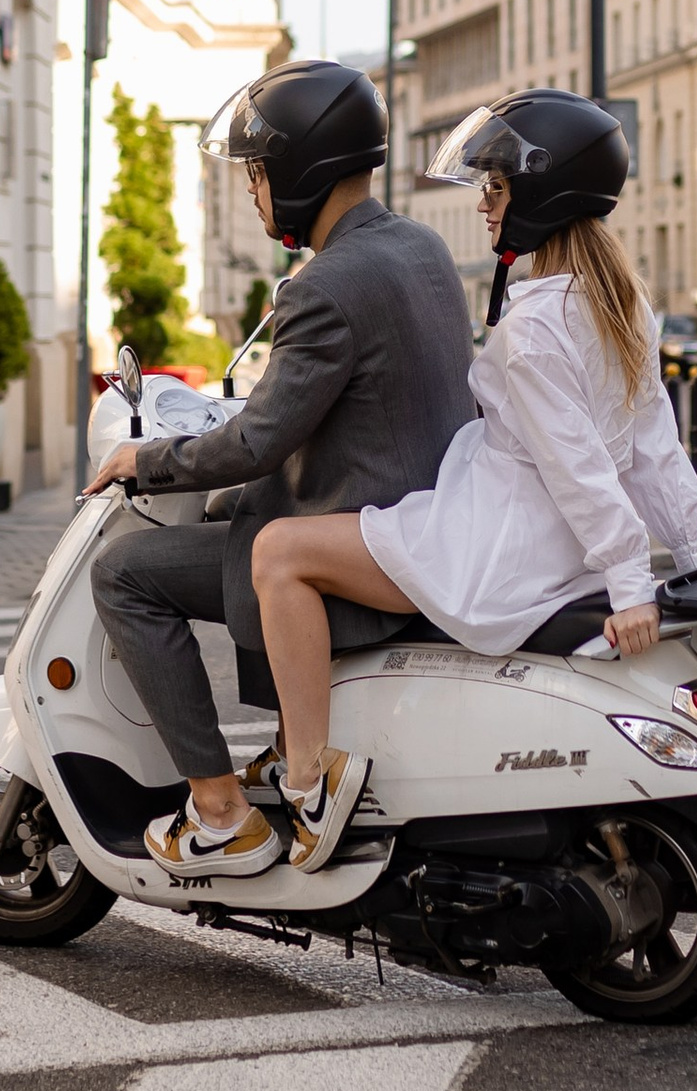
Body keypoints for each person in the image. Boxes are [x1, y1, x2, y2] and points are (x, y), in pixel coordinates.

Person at [247, 91, 697, 871]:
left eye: (497, 186)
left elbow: (578, 465)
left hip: (492, 553)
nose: (484, 203)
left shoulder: (532, 329)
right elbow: (653, 444)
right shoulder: (623, 304)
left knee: (278, 551)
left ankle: (306, 779)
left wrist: (634, 582)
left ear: (542, 193)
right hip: (548, 548)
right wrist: (692, 558)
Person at [84, 60, 476, 879]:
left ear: (300, 171)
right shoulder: (422, 247)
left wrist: (143, 461)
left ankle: (221, 814)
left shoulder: (325, 286)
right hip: (425, 520)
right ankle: (281, 747)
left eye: (259, 171)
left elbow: (256, 441)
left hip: (364, 553)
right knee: (244, 512)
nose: (253, 189)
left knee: (124, 572)